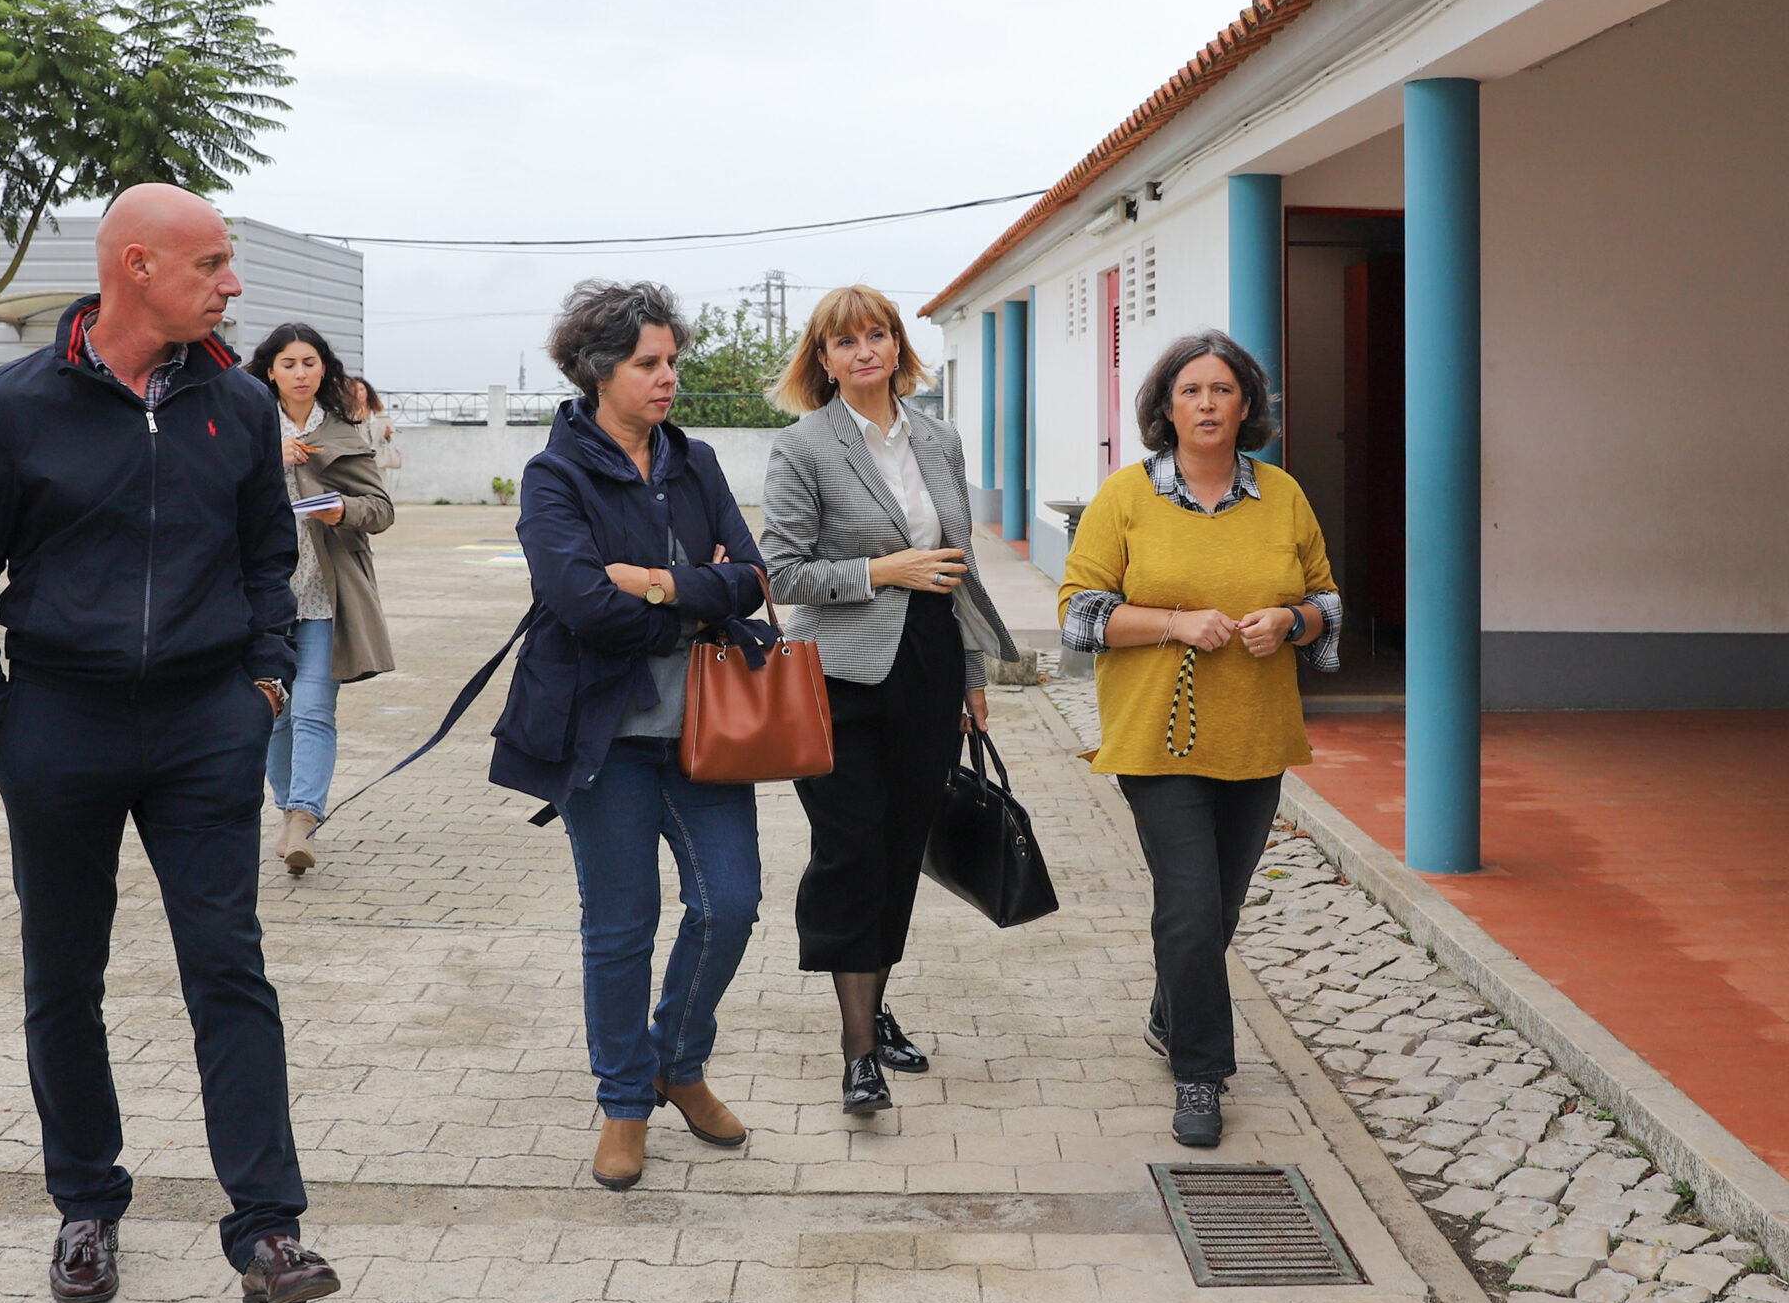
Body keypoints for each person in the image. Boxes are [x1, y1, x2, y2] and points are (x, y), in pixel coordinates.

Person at [0, 184, 339, 1303]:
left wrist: (263, 681)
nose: (232, 285)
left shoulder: (239, 404)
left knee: (229, 968)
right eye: (211, 264)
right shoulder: (7, 410)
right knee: (64, 975)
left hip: (207, 726)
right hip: (57, 724)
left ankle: (268, 1231)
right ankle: (87, 1205)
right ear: (137, 266)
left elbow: (267, 558)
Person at [486, 280, 770, 1191]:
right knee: (620, 928)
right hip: (602, 738)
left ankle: (676, 1061)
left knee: (731, 905)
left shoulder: (697, 462)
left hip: (707, 732)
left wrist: (654, 584)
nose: (667, 378)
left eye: (672, 361)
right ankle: (623, 1103)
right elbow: (578, 601)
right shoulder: (554, 475)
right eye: (649, 363)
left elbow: (753, 577)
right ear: (599, 370)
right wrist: (696, 594)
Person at [1058, 330, 1339, 1149]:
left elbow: (1327, 604)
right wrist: (1175, 623)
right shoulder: (1126, 496)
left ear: (1246, 405)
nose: (1207, 404)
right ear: (1167, 408)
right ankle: (1201, 1074)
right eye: (1191, 391)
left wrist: (1290, 620)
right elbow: (1079, 614)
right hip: (1158, 738)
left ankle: (1170, 1011)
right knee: (1186, 906)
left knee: (1219, 907)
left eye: (1223, 390)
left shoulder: (1283, 495)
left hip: (1255, 735)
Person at [761, 285, 1017, 1116]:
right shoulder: (803, 447)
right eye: (846, 341)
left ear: (899, 347)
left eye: (878, 334)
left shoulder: (939, 440)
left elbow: (959, 567)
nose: (865, 350)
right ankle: (857, 1053)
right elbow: (783, 573)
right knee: (850, 851)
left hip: (930, 666)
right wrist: (882, 571)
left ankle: (873, 1006)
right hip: (833, 676)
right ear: (824, 360)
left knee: (901, 846)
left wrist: (972, 676)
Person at [247, 324, 396, 877]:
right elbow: (207, 493)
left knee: (312, 709)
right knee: (272, 716)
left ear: (324, 368)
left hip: (322, 598)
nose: (301, 373)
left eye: (310, 362)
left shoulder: (342, 431)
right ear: (270, 371)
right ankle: (290, 811)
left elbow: (380, 508)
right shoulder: (246, 425)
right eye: (289, 364)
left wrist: (343, 510)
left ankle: (303, 818)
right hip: (261, 602)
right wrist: (268, 454)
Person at [346, 375, 402, 480]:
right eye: (356, 390)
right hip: (359, 461)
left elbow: (384, 440)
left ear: (367, 391)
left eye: (362, 389)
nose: (360, 393)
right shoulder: (348, 416)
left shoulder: (378, 414)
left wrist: (386, 436)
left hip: (378, 461)